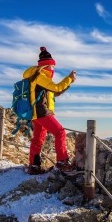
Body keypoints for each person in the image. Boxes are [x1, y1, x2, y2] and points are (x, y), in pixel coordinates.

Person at [23, 46, 77, 175]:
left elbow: (54, 93)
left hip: (35, 112)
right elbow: (57, 88)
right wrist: (69, 78)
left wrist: (68, 83)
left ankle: (34, 166)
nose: (53, 69)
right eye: (52, 66)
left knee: (38, 139)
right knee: (60, 132)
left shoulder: (39, 78)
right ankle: (62, 162)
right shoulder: (39, 76)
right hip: (41, 111)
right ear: (46, 66)